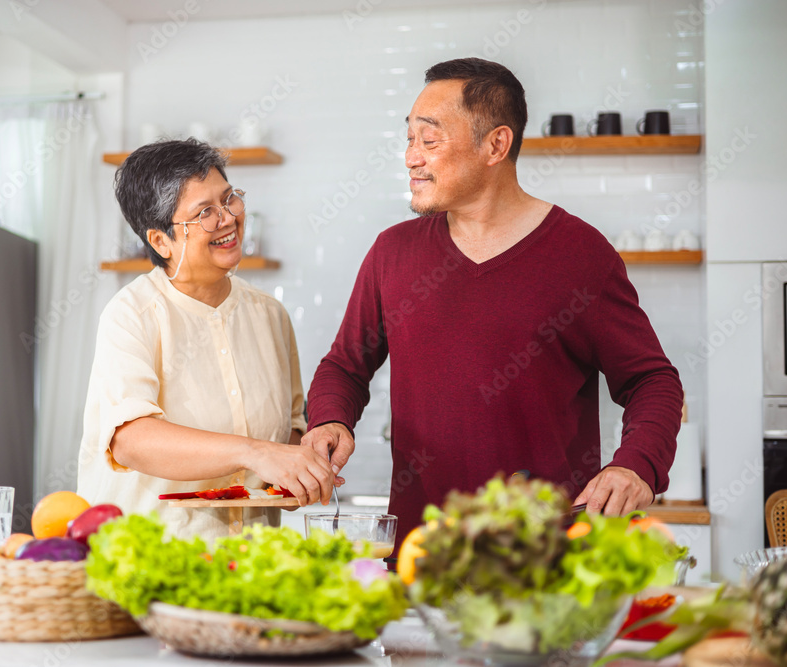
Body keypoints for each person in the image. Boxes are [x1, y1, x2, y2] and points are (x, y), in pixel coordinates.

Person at [302, 58, 683, 551]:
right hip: (422, 561)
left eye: (429, 139)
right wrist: (331, 418)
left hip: (546, 563)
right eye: (409, 139)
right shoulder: (392, 252)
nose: (411, 158)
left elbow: (652, 381)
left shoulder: (581, 255)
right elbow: (344, 366)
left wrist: (637, 465)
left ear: (495, 145)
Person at [77, 139, 335, 542]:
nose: (228, 218)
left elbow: (290, 430)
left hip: (249, 565)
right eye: (204, 213)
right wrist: (255, 453)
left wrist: (299, 471)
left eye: (229, 199)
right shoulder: (131, 314)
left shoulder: (270, 315)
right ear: (161, 241)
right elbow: (130, 439)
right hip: (153, 562)